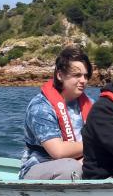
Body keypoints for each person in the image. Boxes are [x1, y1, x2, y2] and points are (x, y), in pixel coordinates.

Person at [20, 47, 93, 180]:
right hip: (40, 167)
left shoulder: (92, 105)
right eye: (77, 75)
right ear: (60, 75)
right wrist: (97, 145)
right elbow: (58, 151)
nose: (83, 80)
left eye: (86, 76)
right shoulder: (40, 107)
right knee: (70, 168)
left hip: (82, 163)